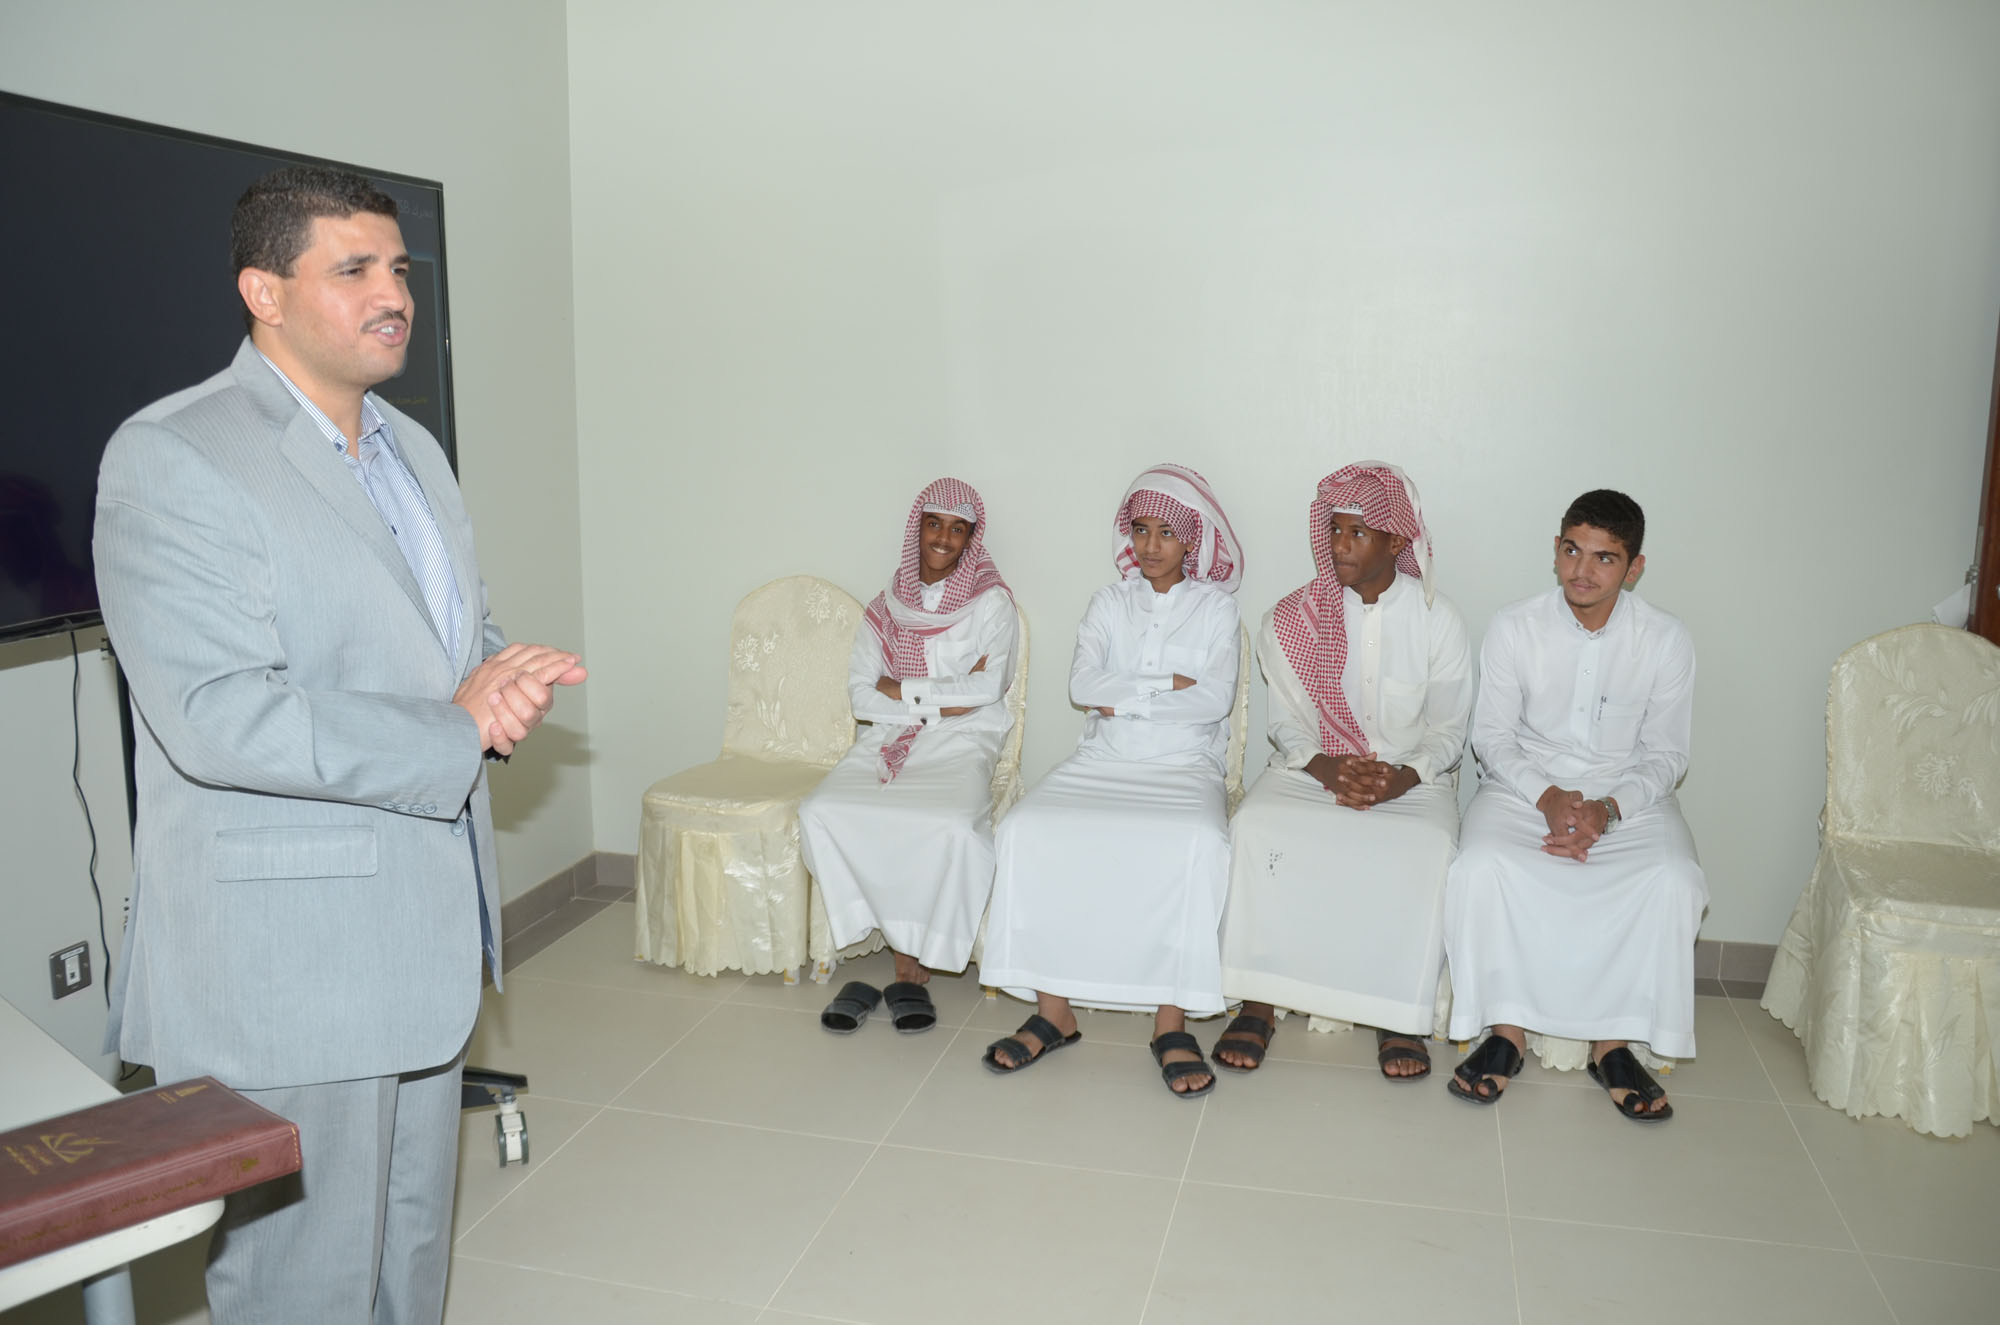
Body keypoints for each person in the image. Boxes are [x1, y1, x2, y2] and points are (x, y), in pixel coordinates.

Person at [93, 165, 585, 1322]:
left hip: (425, 939)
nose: (394, 295)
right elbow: (217, 711)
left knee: (409, 1259)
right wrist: (454, 725)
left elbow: (446, 634)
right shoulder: (176, 455)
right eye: (353, 269)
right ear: (263, 291)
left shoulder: (412, 446)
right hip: (291, 961)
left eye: (399, 269)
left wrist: (497, 679)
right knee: (301, 1284)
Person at [978, 464, 1243, 1098]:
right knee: (1025, 829)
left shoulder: (1216, 609)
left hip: (1184, 767)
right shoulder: (1109, 602)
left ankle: (1170, 1023)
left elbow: (1213, 701)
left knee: (1197, 843)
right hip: (1102, 759)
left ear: (1192, 540)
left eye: (1166, 533)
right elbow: (1082, 686)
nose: (1151, 545)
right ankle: (1054, 1013)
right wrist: (1166, 686)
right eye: (1141, 530)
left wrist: (1124, 695)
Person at [1441, 489, 1704, 1122]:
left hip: (1628, 797)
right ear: (1555, 551)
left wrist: (1606, 811)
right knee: (1481, 867)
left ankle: (1612, 1044)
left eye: (1604, 558)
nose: (1582, 571)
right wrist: (1548, 796)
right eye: (1571, 551)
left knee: (1671, 878)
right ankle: (1506, 1033)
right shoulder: (1515, 625)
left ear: (1634, 568)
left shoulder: (1665, 639)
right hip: (1522, 789)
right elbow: (1492, 738)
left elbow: (1667, 755)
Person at [1216, 463, 1472, 1080]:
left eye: (1357, 533)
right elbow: (1288, 725)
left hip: (1412, 780)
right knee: (1257, 827)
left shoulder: (1437, 619)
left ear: (1395, 539)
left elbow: (1449, 731)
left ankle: (1396, 1013)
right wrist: (1328, 769)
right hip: (1313, 768)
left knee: (1426, 845)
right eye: (1334, 530)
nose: (1339, 545)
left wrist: (1403, 776)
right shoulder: (1294, 619)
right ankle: (1259, 999)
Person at [798, 477, 1018, 1033]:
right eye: (934, 524)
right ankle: (888, 929)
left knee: (952, 827)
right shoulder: (886, 606)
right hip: (891, 735)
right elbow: (861, 696)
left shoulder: (992, 604)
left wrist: (903, 688)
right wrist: (944, 695)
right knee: (821, 810)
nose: (943, 538)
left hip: (964, 740)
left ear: (971, 538)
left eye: (957, 529)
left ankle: (912, 952)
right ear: (916, 528)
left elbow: (987, 690)